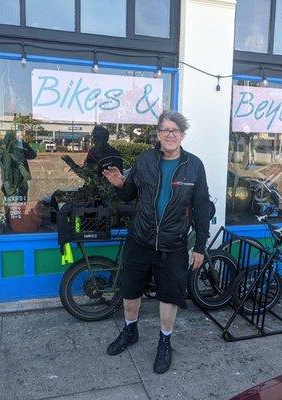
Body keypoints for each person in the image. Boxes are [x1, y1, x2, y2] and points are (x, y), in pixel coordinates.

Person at [102, 110, 212, 374]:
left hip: (173, 244)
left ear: (182, 135)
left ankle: (165, 341)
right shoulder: (145, 160)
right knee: (130, 290)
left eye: (175, 130)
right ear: (159, 134)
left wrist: (200, 247)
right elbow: (131, 193)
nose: (170, 134)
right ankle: (130, 331)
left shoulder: (194, 166)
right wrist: (119, 183)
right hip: (140, 239)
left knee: (169, 296)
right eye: (165, 130)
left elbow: (202, 207)